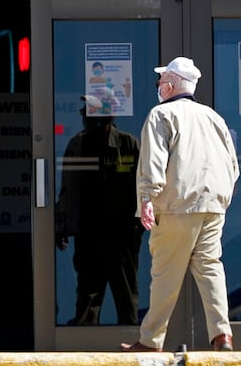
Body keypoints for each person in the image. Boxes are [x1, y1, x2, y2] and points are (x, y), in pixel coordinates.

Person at [121, 56, 239, 352]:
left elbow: (154, 161)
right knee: (210, 268)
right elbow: (233, 165)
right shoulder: (214, 117)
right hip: (213, 205)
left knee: (165, 274)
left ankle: (150, 341)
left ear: (171, 84)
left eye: (160, 81)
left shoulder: (161, 115)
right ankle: (222, 334)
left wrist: (147, 197)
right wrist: (221, 197)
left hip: (176, 206)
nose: (158, 86)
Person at [55, 95, 143, 325]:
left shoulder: (128, 144)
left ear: (106, 117)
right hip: (89, 233)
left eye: (90, 111)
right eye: (85, 111)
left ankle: (131, 344)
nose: (84, 115)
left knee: (125, 295)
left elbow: (146, 187)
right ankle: (86, 347)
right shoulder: (77, 144)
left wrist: (137, 226)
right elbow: (67, 189)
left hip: (121, 236)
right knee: (87, 296)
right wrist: (61, 225)